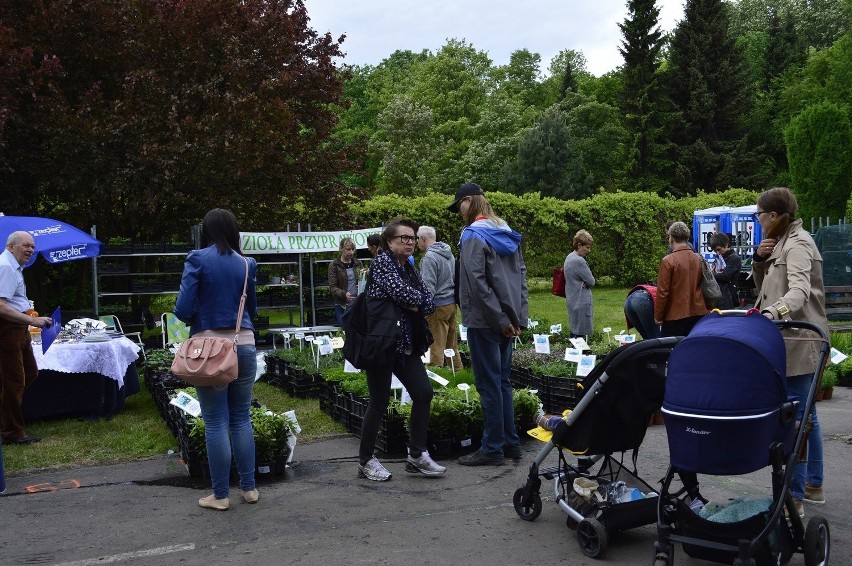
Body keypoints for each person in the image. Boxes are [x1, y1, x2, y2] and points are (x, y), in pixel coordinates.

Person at [174, 209, 259, 510]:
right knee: (241, 417)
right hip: (244, 345)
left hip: (209, 351)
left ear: (206, 231)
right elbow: (253, 309)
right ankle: (249, 488)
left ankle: (220, 495)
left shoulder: (197, 258)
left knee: (215, 422)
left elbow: (182, 310)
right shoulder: (247, 263)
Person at [751, 187, 828, 518]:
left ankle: (794, 497)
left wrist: (774, 313)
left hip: (798, 341)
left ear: (772, 217)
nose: (757, 221)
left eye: (759, 215)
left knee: (797, 418)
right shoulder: (780, 244)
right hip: (786, 341)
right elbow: (764, 288)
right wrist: (759, 259)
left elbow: (797, 292)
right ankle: (814, 485)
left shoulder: (797, 245)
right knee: (806, 415)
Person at [357, 217, 445, 481]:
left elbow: (428, 301)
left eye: (412, 237)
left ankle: (416, 455)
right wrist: (413, 301)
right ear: (388, 242)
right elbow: (406, 296)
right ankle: (365, 460)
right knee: (379, 402)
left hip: (405, 345)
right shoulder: (383, 263)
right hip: (382, 344)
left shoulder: (408, 265)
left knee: (423, 393)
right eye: (403, 238)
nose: (409, 242)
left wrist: (414, 301)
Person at [449, 182, 528, 466]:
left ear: (468, 201)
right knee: (503, 382)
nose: (459, 213)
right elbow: (521, 278)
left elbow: (476, 283)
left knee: (489, 384)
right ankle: (510, 443)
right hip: (508, 320)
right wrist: (516, 319)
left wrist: (499, 319)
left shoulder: (472, 235)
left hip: (485, 321)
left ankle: (492, 447)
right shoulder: (506, 232)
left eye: (459, 206)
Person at [0, 231, 53, 445]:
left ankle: (7, 422)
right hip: (7, 330)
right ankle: (12, 432)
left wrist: (31, 317)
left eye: (32, 246)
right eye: (26, 245)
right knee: (13, 383)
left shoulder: (13, 267)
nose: (31, 249)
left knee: (29, 373)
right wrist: (31, 321)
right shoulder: (5, 266)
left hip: (17, 327)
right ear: (11, 246)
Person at [417, 225, 463, 369]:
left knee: (435, 343)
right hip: (451, 303)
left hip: (437, 306)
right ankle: (457, 370)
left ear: (423, 239)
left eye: (417, 239)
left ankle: (435, 375)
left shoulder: (430, 257)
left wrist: (423, 308)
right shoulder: (448, 253)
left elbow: (428, 286)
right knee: (451, 343)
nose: (416, 242)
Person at [654, 221, 707, 337]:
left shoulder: (668, 261)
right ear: (687, 238)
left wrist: (658, 316)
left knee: (670, 350)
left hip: (675, 315)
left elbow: (662, 292)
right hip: (699, 311)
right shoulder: (698, 258)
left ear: (671, 238)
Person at [563, 229, 595, 340]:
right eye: (587, 247)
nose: (588, 250)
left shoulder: (569, 257)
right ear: (579, 245)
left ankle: (574, 356)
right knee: (579, 334)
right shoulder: (579, 261)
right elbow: (591, 281)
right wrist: (586, 283)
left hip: (573, 299)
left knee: (574, 330)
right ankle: (582, 356)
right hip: (581, 301)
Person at [328, 237, 364, 327]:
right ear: (341, 249)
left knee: (358, 330)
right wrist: (344, 294)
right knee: (345, 329)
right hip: (342, 304)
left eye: (352, 249)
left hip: (357, 303)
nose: (351, 252)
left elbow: (362, 281)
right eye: (348, 249)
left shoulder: (358, 263)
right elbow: (333, 287)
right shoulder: (334, 265)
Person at [708, 232, 742, 310]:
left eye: (719, 249)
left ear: (726, 245)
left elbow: (725, 276)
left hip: (728, 297)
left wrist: (711, 274)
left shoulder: (734, 258)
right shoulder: (719, 258)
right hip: (717, 296)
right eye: (715, 251)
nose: (717, 252)